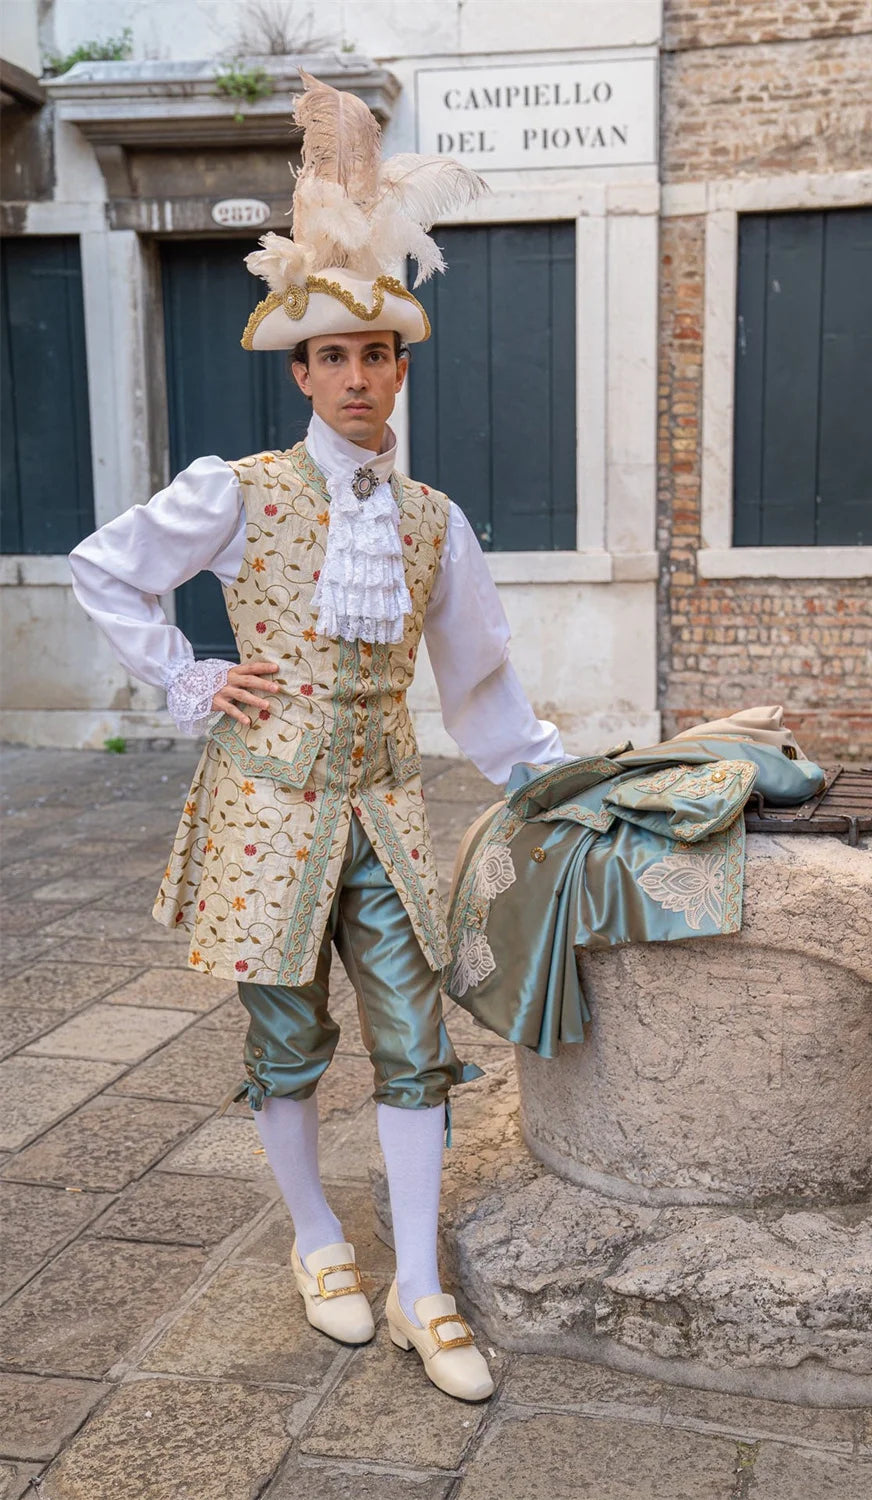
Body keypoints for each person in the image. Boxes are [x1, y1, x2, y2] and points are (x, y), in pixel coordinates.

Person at [68, 72, 565, 1403]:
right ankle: (315, 1239)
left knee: (415, 1043)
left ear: (400, 366)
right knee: (286, 1042)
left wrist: (550, 775)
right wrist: (189, 677)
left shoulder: (432, 520)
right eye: (333, 357)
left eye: (377, 354)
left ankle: (421, 1285)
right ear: (301, 371)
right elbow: (105, 569)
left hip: (385, 814)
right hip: (264, 813)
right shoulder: (236, 493)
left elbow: (481, 684)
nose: (357, 376)